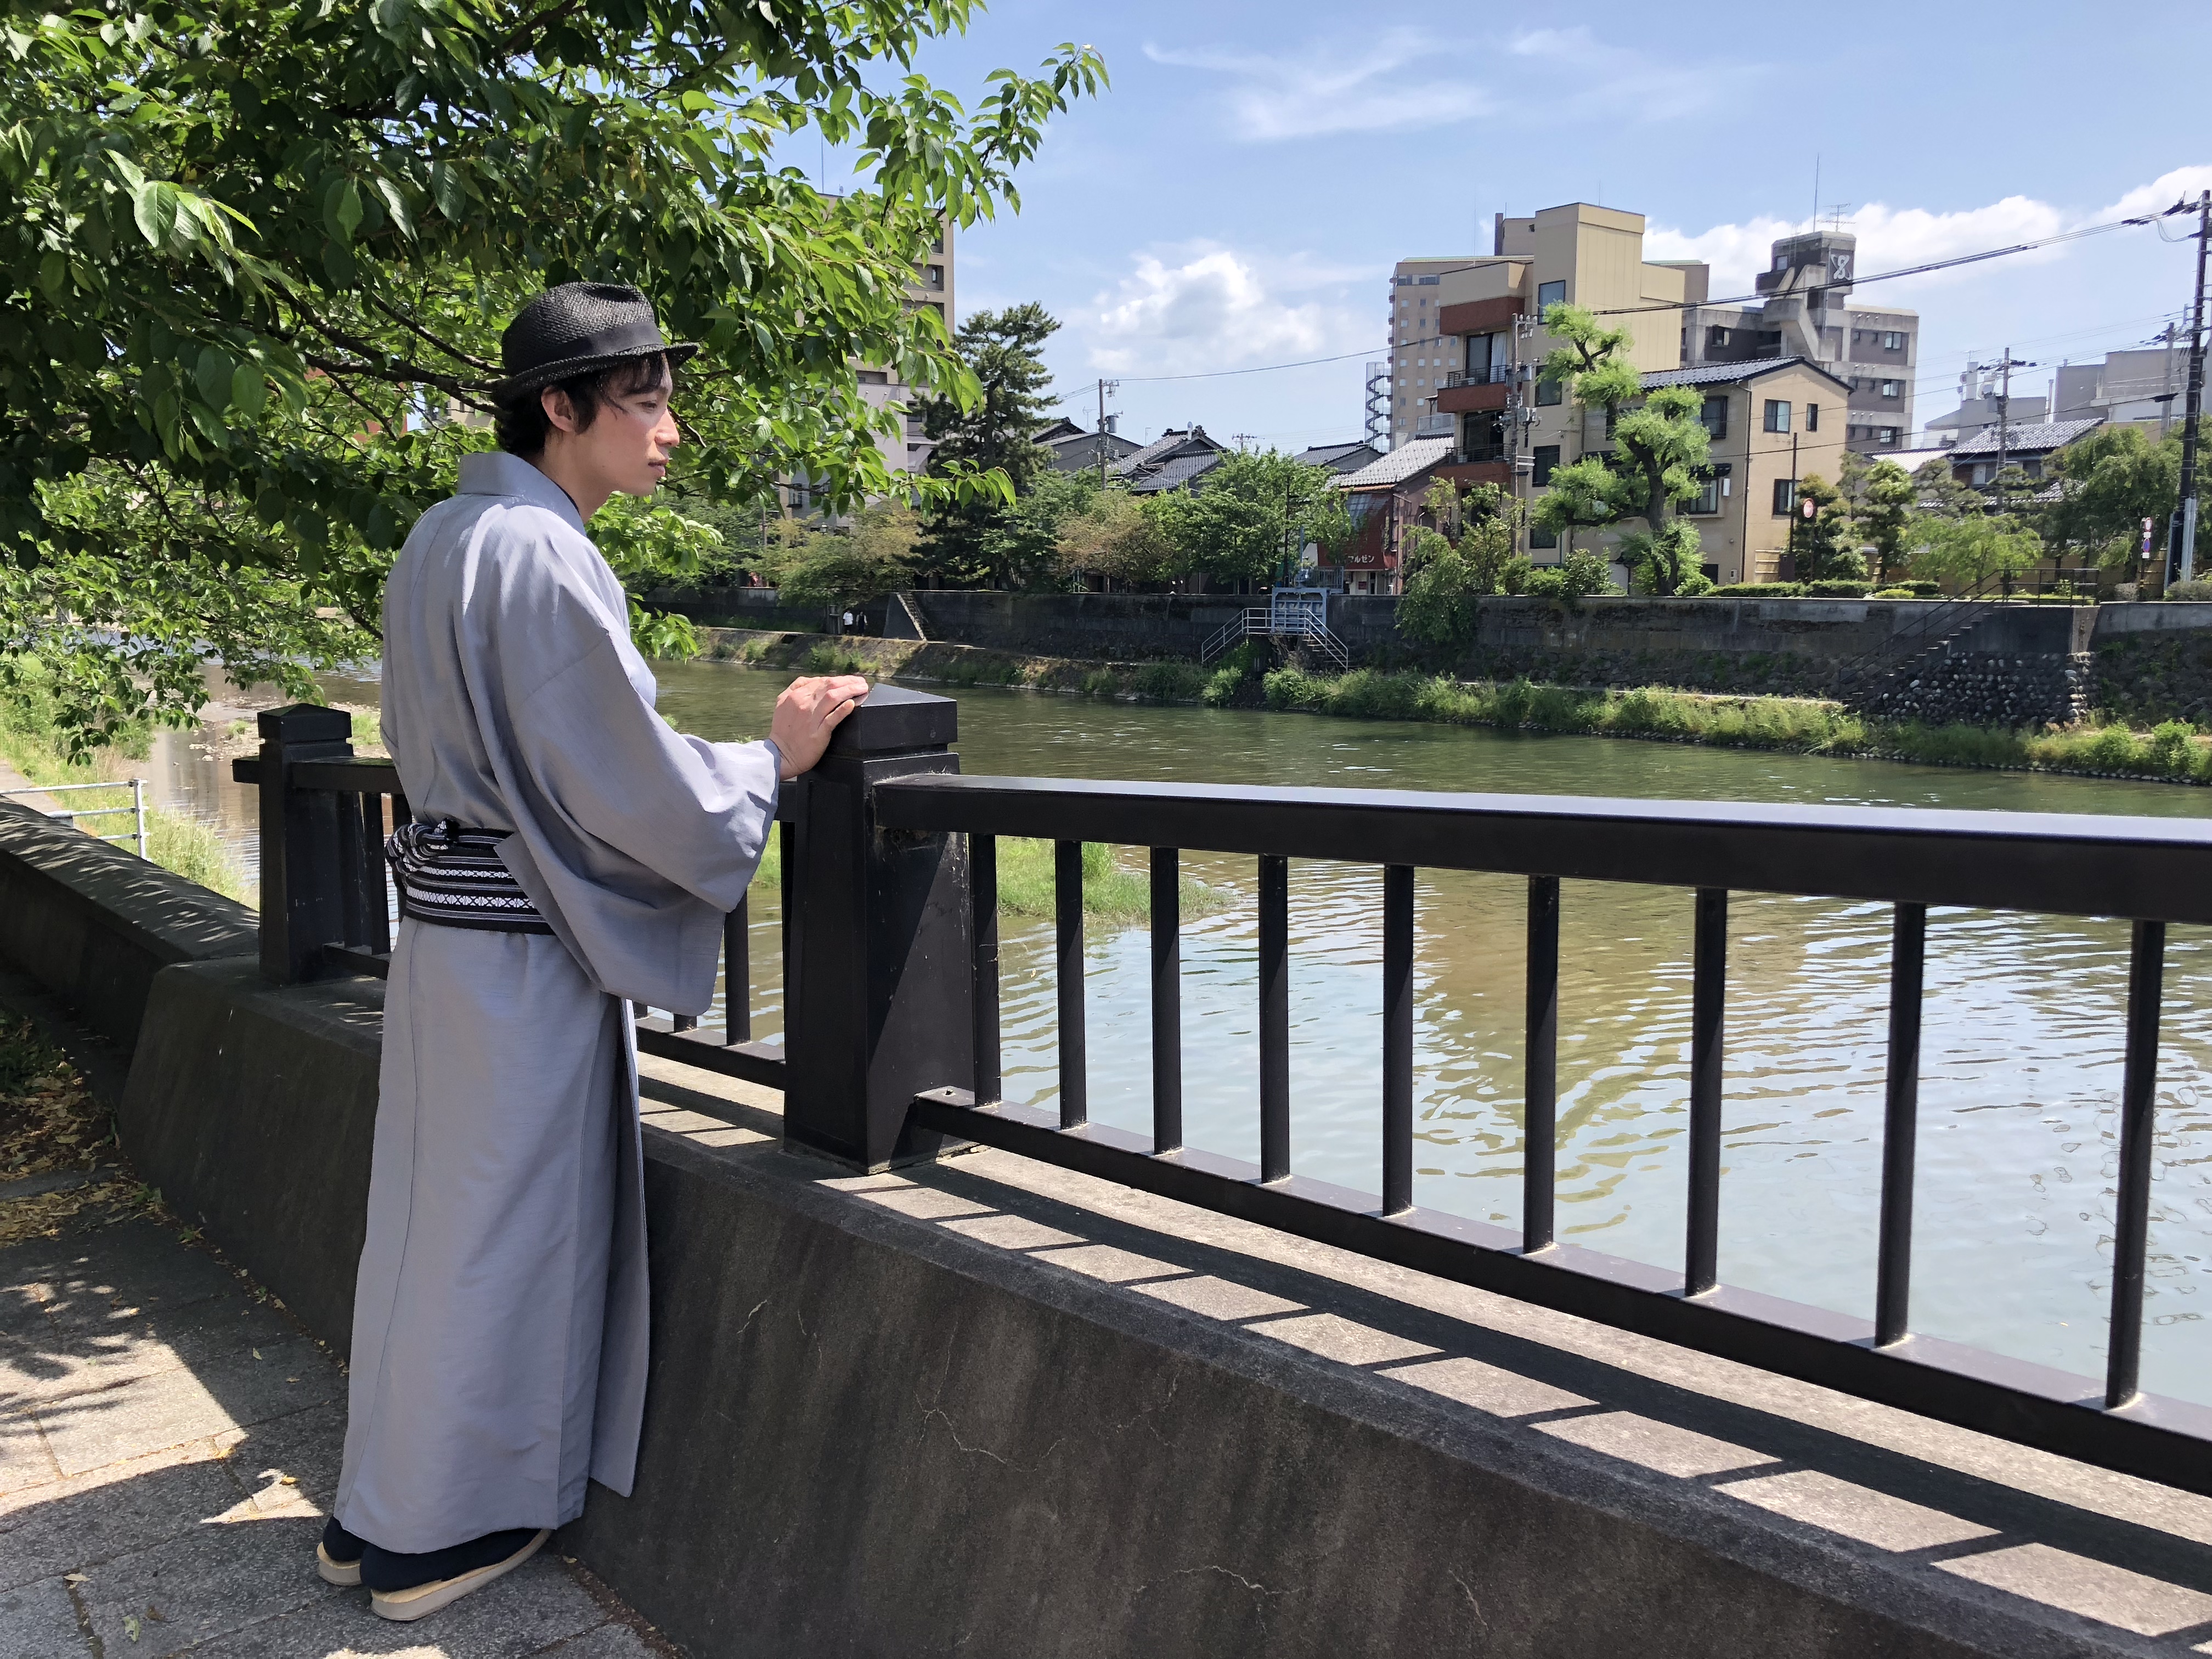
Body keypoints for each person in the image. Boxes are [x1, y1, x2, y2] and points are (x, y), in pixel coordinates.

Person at [317, 282, 867, 1622]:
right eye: (647, 402)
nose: (671, 431)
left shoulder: (443, 535)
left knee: (429, 1227)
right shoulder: (543, 551)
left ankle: (372, 1510)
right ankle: (440, 1534)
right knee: (505, 1231)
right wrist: (772, 760)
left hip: (447, 939)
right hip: (518, 960)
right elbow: (626, 784)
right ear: (561, 409)